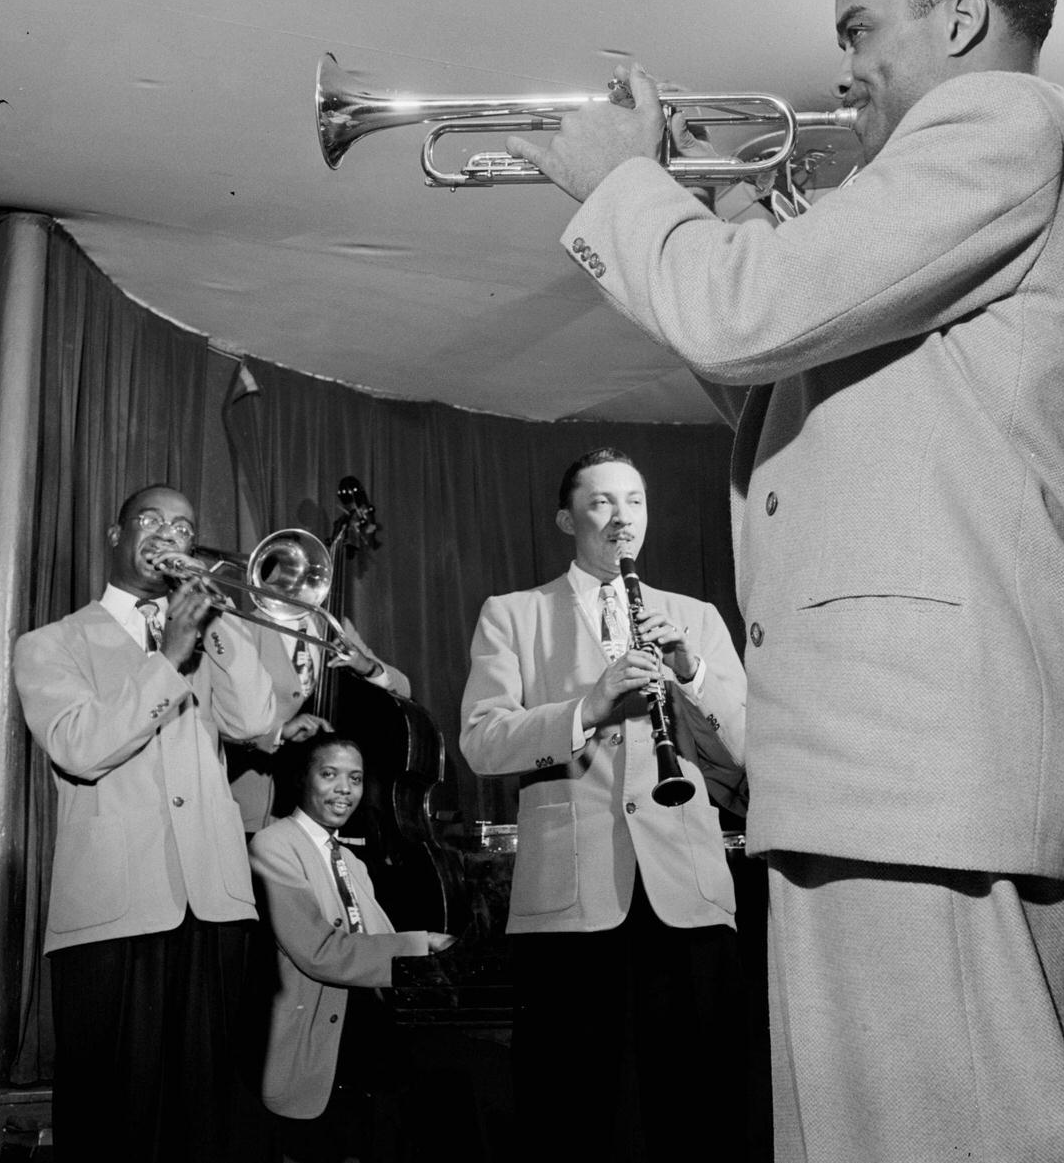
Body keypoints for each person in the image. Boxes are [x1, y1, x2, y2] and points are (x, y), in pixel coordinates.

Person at [503, 0, 1064, 1162]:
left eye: (860, 27)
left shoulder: (1001, 122)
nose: (841, 68)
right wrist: (715, 219)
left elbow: (749, 319)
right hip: (880, 765)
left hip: (923, 760)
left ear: (961, 16)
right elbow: (764, 372)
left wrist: (627, 186)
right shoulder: (953, 176)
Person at [460, 447, 748, 1162]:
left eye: (635, 500)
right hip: (572, 895)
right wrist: (587, 705)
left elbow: (747, 751)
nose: (622, 517)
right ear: (567, 518)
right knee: (575, 1111)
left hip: (684, 887)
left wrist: (691, 671)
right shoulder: (512, 614)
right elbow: (482, 742)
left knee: (697, 1108)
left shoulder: (697, 617)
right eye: (601, 502)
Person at [13, 484, 279, 1163]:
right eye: (152, 520)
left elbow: (256, 722)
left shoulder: (215, 634)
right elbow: (81, 747)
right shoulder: (51, 643)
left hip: (214, 905)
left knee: (210, 1121)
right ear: (115, 533)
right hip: (113, 913)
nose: (170, 534)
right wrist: (168, 659)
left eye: (185, 526)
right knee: (116, 1123)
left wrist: (217, 624)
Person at [247, 733, 452, 1163]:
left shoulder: (352, 860)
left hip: (363, 1038)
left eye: (355, 779)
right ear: (304, 779)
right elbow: (321, 951)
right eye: (330, 775)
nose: (345, 789)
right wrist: (419, 945)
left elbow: (373, 937)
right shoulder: (272, 846)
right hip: (314, 1046)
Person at [228, 599, 411, 836]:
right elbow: (228, 715)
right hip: (263, 795)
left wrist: (366, 666)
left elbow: (403, 688)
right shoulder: (245, 625)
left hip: (327, 797)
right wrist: (279, 731)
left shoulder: (332, 622)